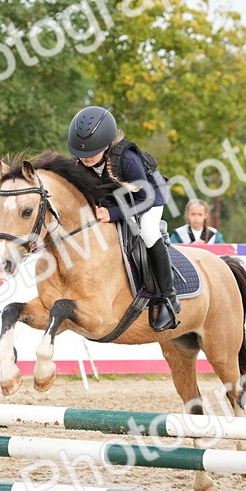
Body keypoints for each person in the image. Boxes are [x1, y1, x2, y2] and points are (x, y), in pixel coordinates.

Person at [68, 105, 179, 331]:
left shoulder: (126, 160)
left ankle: (168, 299)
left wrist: (113, 214)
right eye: (81, 153)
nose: (85, 158)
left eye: (91, 152)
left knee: (148, 232)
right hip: (117, 199)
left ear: (107, 145)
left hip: (149, 197)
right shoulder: (79, 163)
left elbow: (144, 198)